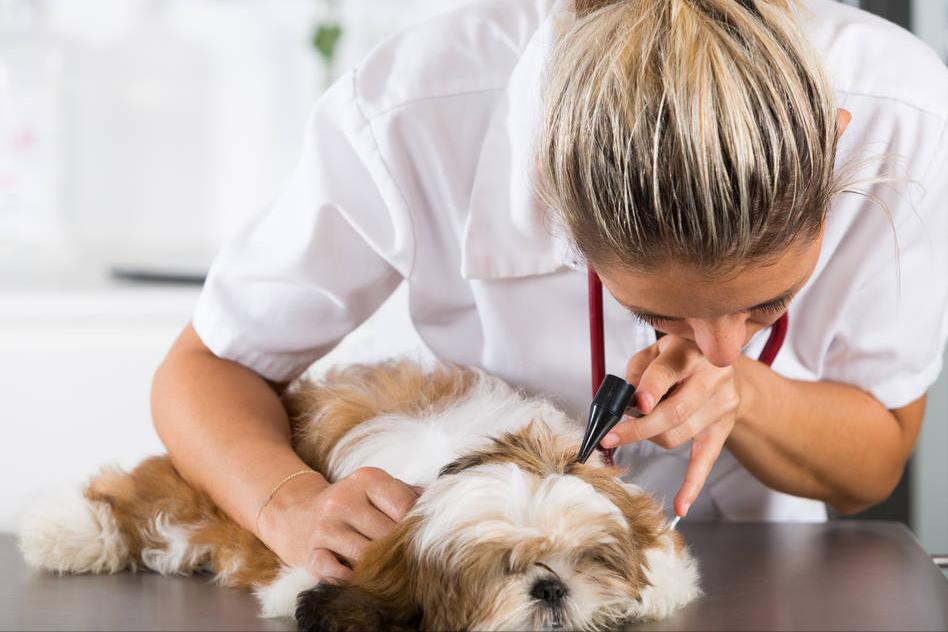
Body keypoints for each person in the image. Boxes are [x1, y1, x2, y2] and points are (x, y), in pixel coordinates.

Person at [152, 0, 948, 584]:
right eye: (656, 315)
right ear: (549, 190)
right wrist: (285, 501)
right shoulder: (413, 111)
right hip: (496, 582)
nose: (719, 346)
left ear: (839, 139)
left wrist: (748, 395)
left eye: (767, 306)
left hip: (768, 579)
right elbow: (203, 369)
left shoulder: (904, 111)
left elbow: (872, 466)